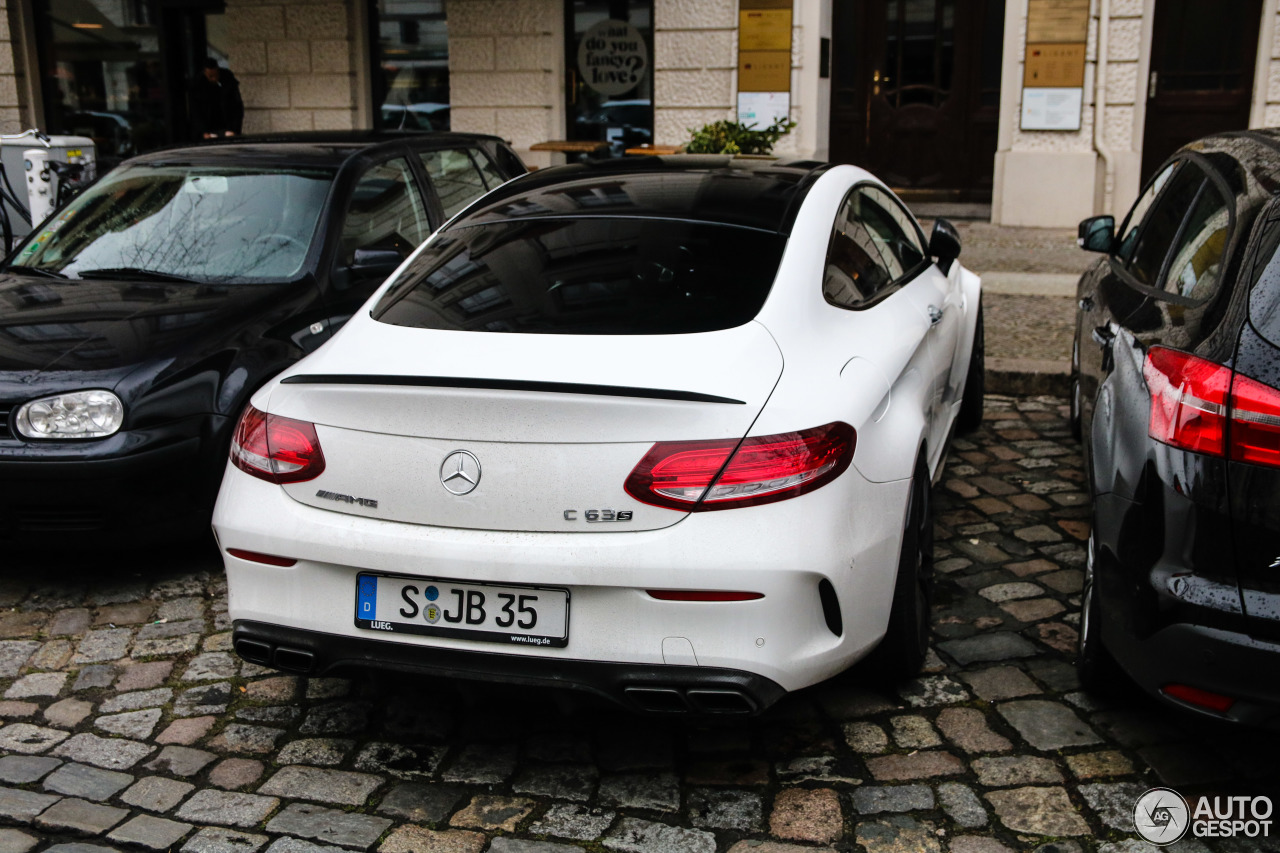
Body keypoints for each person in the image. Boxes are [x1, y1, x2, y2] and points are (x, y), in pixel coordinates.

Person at [190, 58, 244, 140]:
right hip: (209, 125)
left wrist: (234, 129)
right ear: (205, 73)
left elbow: (237, 106)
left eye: (216, 75)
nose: (214, 79)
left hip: (227, 124)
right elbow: (196, 112)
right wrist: (203, 131)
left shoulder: (227, 79)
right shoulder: (198, 85)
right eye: (210, 76)